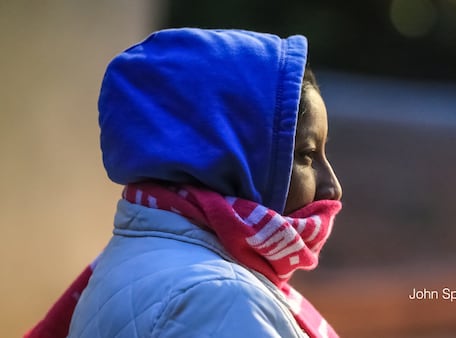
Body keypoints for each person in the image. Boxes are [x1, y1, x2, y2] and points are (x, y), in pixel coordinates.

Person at [25, 28, 342, 338]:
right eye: (306, 154)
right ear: (226, 150)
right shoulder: (219, 297)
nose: (332, 187)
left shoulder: (140, 261)